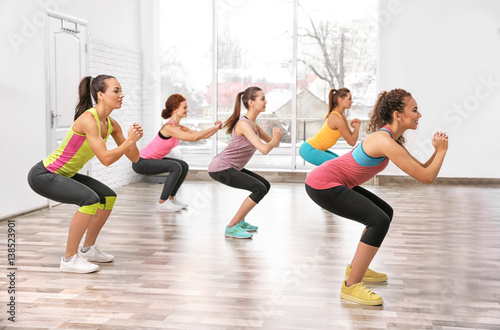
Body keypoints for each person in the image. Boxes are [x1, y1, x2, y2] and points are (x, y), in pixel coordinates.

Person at [305, 89, 448, 305]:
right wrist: (442, 151)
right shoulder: (384, 141)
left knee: (385, 213)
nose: (419, 115)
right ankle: (351, 286)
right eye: (415, 110)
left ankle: (358, 267)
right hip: (323, 184)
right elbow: (427, 177)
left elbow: (421, 169)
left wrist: (437, 152)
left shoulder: (390, 138)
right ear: (398, 115)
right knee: (377, 220)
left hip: (333, 181)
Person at [27, 75, 143, 274]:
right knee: (90, 199)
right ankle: (69, 259)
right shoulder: (88, 120)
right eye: (116, 91)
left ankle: (88, 249)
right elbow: (106, 159)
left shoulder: (112, 124)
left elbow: (134, 158)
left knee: (107, 197)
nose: (121, 95)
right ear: (101, 95)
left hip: (66, 174)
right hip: (44, 174)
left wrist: (131, 141)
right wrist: (128, 141)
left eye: (121, 90)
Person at [208, 86, 283, 239]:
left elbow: (274, 144)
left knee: (265, 185)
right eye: (262, 98)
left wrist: (276, 139)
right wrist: (274, 140)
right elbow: (264, 149)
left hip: (232, 167)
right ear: (251, 102)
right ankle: (231, 227)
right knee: (259, 188)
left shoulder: (254, 125)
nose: (266, 101)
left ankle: (240, 222)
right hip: (221, 168)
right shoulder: (244, 124)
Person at [132, 93, 223, 212]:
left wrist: (215, 128)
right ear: (175, 109)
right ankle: (162, 202)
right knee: (175, 166)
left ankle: (171, 198)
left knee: (183, 165)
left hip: (151, 160)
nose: (187, 110)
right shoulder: (169, 127)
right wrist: (214, 128)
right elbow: (193, 138)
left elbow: (198, 135)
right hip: (141, 162)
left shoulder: (179, 127)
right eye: (184, 108)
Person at [299, 87, 361, 166]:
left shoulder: (341, 117)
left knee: (340, 162)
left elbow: (352, 140)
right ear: (340, 100)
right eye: (349, 99)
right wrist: (357, 128)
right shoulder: (336, 118)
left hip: (314, 148)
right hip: (309, 149)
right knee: (339, 165)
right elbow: (352, 142)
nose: (352, 101)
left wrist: (356, 127)